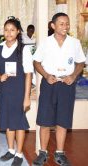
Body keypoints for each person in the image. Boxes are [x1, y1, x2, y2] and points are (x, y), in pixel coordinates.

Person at [32, 13, 86, 166]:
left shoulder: (74, 43)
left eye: (67, 24)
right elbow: (36, 62)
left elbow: (81, 62)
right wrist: (46, 75)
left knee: (63, 119)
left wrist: (73, 76)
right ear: (53, 26)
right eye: (61, 24)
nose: (65, 27)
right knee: (44, 119)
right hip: (49, 83)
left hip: (66, 85)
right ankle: (42, 153)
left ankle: (60, 153)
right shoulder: (46, 42)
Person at [0, 16, 33, 166]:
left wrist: (27, 97)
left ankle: (19, 153)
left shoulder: (24, 50)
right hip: (3, 91)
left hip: (18, 91)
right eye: (6, 30)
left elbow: (29, 74)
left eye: (12, 30)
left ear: (18, 32)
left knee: (18, 123)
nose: (9, 33)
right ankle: (11, 150)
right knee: (7, 122)